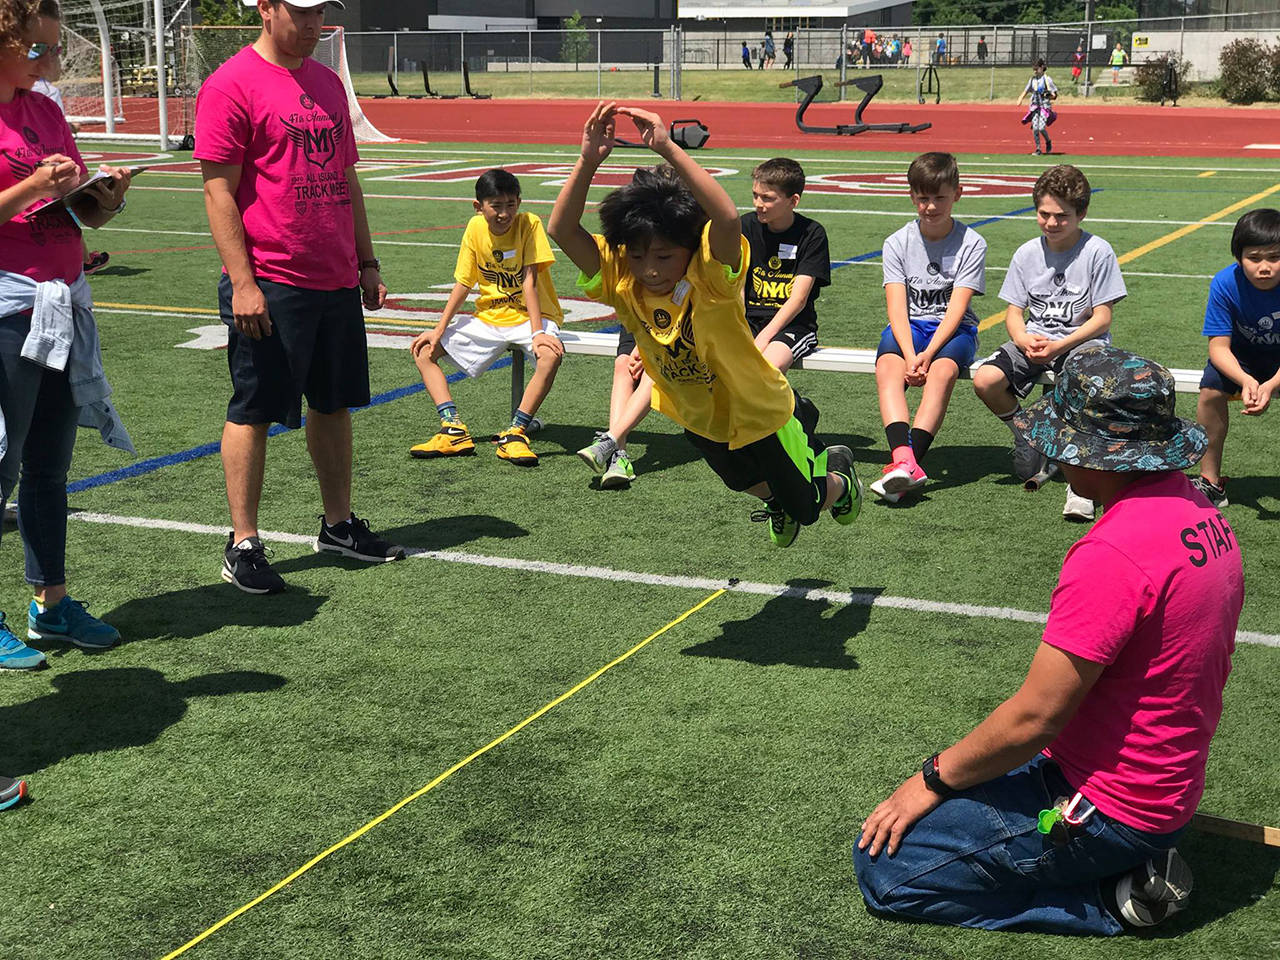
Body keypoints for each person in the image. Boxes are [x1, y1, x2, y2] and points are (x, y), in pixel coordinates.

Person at [855, 344, 1242, 936]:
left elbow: (1037, 717)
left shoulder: (1113, 552)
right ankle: (1126, 859)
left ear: (1100, 455)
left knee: (889, 869)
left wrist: (930, 778)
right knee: (976, 772)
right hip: (1164, 782)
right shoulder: (1200, 510)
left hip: (1111, 805)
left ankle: (1111, 899)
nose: (1055, 458)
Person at [550, 102, 863, 548]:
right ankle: (787, 485)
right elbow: (562, 230)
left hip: (758, 410)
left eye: (663, 257)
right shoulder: (622, 275)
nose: (651, 269)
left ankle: (838, 474)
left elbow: (727, 218)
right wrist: (587, 160)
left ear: (688, 249)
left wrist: (668, 148)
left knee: (807, 509)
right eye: (639, 256)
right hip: (700, 417)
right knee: (745, 485)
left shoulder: (709, 276)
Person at [195, 0, 404, 596]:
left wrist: (366, 260)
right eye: (303, 11)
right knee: (255, 409)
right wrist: (243, 282)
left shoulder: (329, 83)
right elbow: (219, 194)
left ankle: (338, 523)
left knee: (333, 404)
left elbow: (346, 178)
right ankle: (244, 542)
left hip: (335, 277)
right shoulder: (230, 84)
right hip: (272, 280)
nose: (315, 24)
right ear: (265, 9)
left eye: (322, 12)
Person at [0, 0, 135, 664]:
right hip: (6, 309)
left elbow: (77, 209)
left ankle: (50, 606)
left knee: (48, 468)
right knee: (1, 465)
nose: (54, 62)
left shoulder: (44, 109)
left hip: (59, 302)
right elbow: (23, 197)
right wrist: (31, 185)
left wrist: (102, 198)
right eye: (40, 49)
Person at [973, 165, 1126, 522]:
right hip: (1034, 340)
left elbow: (1102, 318)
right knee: (985, 380)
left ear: (1081, 214)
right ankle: (1030, 435)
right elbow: (1014, 312)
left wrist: (1059, 347)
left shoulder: (1097, 251)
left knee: (1086, 386)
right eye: (1044, 214)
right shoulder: (1026, 253)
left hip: (1082, 342)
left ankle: (1081, 486)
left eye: (1062, 216)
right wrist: (1022, 338)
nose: (1052, 223)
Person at [409, 169, 563, 467]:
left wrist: (538, 333)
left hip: (532, 317)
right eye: (496, 205)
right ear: (478, 207)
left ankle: (516, 433)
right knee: (424, 351)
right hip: (489, 316)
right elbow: (464, 284)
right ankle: (453, 428)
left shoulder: (530, 223)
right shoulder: (474, 228)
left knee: (549, 356)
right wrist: (438, 329)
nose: (504, 213)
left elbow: (529, 282)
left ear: (519, 202)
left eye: (511, 205)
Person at [871, 153, 986, 503]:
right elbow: (896, 306)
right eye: (923, 198)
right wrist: (909, 355)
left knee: (942, 373)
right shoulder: (897, 242)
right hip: (910, 330)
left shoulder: (972, 243)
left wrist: (928, 354)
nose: (931, 206)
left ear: (958, 194)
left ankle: (907, 466)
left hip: (953, 332)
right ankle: (905, 463)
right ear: (912, 197)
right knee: (887, 369)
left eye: (939, 198)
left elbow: (957, 308)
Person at [1192, 208, 1280, 507]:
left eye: (1275, 257)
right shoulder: (1224, 283)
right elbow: (1218, 347)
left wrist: (1269, 385)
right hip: (1241, 358)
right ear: (1239, 257)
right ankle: (1210, 482)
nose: (1264, 267)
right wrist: (1245, 380)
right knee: (1210, 391)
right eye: (1254, 258)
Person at [741, 157, 830, 375]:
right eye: (755, 195)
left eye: (767, 198)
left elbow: (798, 300)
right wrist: (740, 328)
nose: (758, 204)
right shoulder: (744, 226)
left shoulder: (812, 233)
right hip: (749, 320)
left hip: (793, 325)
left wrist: (763, 337)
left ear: (793, 201)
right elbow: (738, 287)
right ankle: (797, 408)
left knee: (767, 369)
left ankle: (797, 409)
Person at [1016, 58, 1058, 156]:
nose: (1035, 71)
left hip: (1044, 106)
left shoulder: (1047, 79)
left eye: (1036, 69)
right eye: (1033, 69)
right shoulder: (1032, 80)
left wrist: (1048, 95)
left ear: (1042, 67)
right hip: (1035, 106)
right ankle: (1038, 148)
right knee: (1035, 128)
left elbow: (1055, 95)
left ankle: (1048, 141)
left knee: (1041, 128)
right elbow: (1026, 90)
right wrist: (1020, 98)